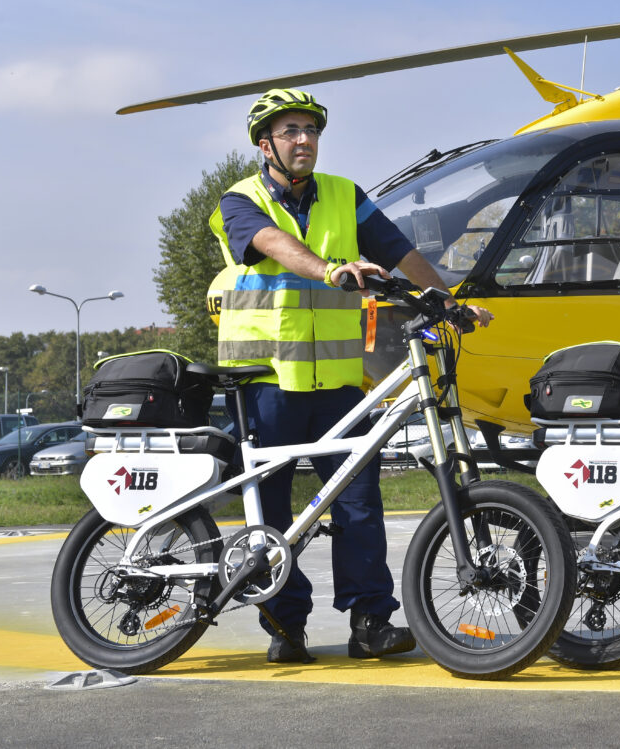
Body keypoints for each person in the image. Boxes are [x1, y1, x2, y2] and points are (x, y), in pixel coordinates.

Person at [209, 88, 491, 664]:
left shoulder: (344, 194)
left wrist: (446, 300)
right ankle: (285, 628)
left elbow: (398, 250)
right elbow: (274, 246)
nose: (304, 140)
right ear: (266, 144)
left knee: (360, 502)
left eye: (310, 131)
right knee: (275, 510)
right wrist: (329, 269)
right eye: (290, 131)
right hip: (267, 381)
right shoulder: (238, 201)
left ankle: (370, 623)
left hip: (338, 384)